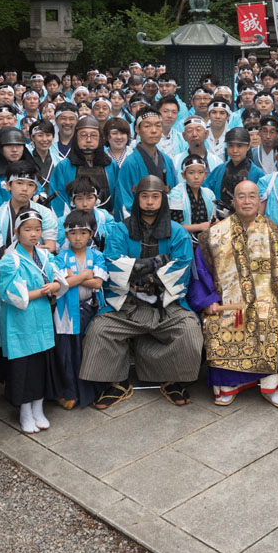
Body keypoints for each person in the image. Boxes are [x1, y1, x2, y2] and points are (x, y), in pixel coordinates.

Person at [81, 175, 201, 408]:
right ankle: (116, 382)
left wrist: (139, 269)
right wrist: (156, 264)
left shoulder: (177, 231)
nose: (149, 201)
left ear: (163, 199)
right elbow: (112, 261)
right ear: (137, 199)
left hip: (165, 304)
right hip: (128, 301)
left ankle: (172, 380)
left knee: (189, 330)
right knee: (99, 329)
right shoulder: (120, 229)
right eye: (144, 196)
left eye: (155, 197)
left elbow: (182, 265)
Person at [191, 180, 278, 407]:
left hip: (267, 301)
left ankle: (272, 386)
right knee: (219, 325)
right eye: (241, 196)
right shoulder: (215, 234)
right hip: (228, 303)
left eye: (252, 196)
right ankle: (229, 385)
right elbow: (201, 272)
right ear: (233, 202)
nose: (247, 201)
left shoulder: (271, 231)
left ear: (259, 201)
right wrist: (208, 300)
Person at [0, 209, 68, 434]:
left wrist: (54, 286)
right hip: (20, 320)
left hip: (43, 317)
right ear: (17, 232)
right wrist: (43, 291)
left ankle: (38, 407)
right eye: (28, 230)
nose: (33, 234)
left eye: (37, 229)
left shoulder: (44, 255)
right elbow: (11, 294)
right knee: (24, 365)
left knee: (42, 363)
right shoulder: (10, 260)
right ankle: (25, 411)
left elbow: (59, 278)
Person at [52, 210, 108, 410]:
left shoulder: (98, 255)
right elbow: (62, 283)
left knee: (88, 350)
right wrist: (85, 275)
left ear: (91, 234)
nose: (78, 237)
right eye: (73, 233)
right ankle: (69, 392)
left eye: (83, 233)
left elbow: (97, 283)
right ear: (66, 235)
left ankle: (89, 391)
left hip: (90, 309)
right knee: (67, 352)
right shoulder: (61, 257)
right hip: (67, 311)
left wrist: (74, 278)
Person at [114, 108, 180, 219]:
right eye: (147, 126)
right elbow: (124, 201)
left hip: (165, 223)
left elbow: (175, 194)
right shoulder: (130, 163)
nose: (154, 130)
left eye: (158, 125)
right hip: (138, 225)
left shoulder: (167, 161)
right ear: (137, 129)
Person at [49, 115, 118, 216]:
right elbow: (58, 200)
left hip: (106, 222)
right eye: (83, 135)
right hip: (74, 223)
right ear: (76, 138)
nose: (89, 140)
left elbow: (118, 197)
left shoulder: (111, 165)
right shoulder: (63, 167)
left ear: (100, 138)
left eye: (94, 135)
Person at [205, 127, 265, 211]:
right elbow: (205, 191)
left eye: (239, 146)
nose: (234, 150)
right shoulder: (219, 170)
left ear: (248, 147)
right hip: (220, 220)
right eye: (230, 146)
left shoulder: (257, 173)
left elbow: (262, 201)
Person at [168, 155, 217, 238]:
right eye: (191, 173)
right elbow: (173, 226)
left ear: (205, 174)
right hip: (181, 240)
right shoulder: (176, 194)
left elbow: (212, 219)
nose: (196, 177)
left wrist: (215, 223)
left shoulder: (209, 194)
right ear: (183, 175)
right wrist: (200, 227)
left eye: (200, 172)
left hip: (205, 240)